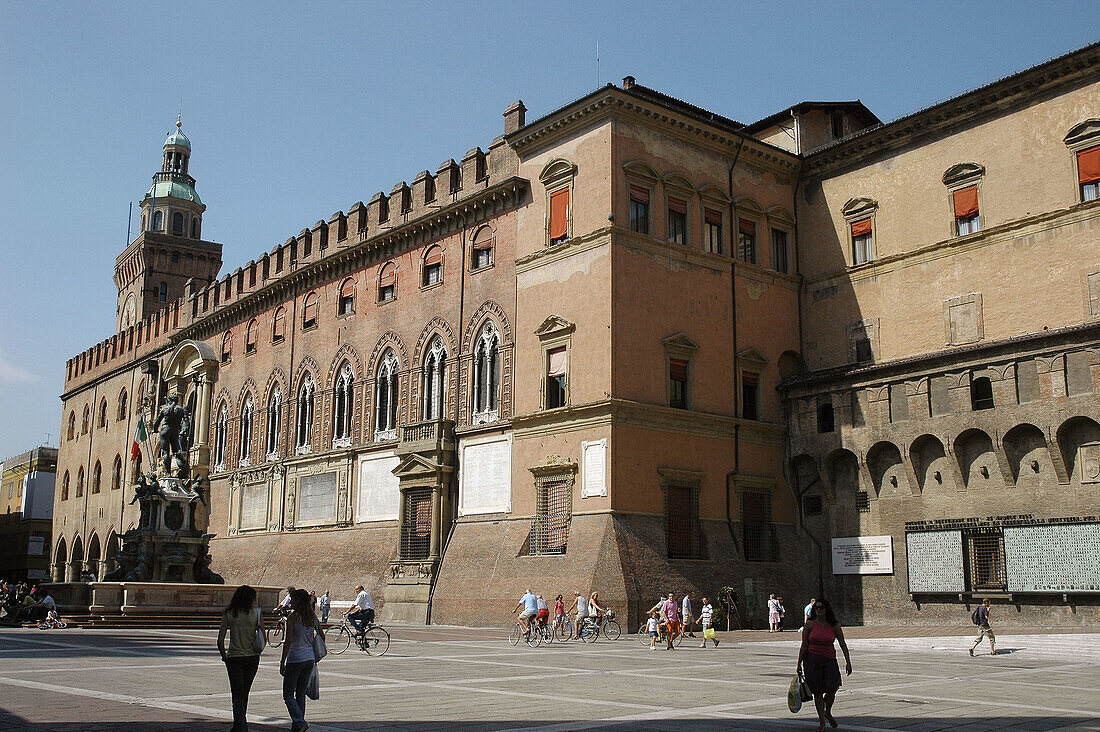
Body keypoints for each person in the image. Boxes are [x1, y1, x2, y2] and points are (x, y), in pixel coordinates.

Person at [796, 598, 852, 732]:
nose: (819, 610)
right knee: (818, 692)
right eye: (817, 608)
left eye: (821, 608)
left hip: (829, 660)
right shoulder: (809, 624)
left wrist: (848, 662)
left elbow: (842, 644)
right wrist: (798, 663)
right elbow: (804, 645)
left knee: (832, 688)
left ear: (827, 609)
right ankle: (822, 722)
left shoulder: (834, 625)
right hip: (812, 660)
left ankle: (828, 711)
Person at [217, 585, 263, 732]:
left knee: (237, 694)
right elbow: (262, 636)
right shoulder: (256, 613)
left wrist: (224, 656)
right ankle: (240, 725)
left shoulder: (229, 613)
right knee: (245, 692)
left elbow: (220, 640)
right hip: (252, 657)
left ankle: (240, 727)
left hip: (234, 657)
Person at [281, 589, 323, 732]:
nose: (290, 601)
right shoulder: (312, 616)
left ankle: (299, 722)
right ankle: (297, 726)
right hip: (309, 658)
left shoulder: (293, 617)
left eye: (292, 599)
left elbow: (288, 640)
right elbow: (322, 636)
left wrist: (282, 661)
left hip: (295, 658)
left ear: (298, 600)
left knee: (287, 694)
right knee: (300, 693)